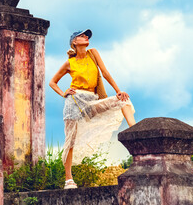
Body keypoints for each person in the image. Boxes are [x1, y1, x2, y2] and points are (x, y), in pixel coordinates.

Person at [49, 29, 136, 189]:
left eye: (86, 35)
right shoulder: (70, 63)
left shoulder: (93, 53)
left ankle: (135, 132)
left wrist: (118, 91)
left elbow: (105, 72)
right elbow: (52, 82)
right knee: (71, 139)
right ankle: (69, 179)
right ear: (74, 42)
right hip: (74, 101)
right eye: (82, 36)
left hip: (92, 100)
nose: (86, 37)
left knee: (123, 101)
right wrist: (63, 93)